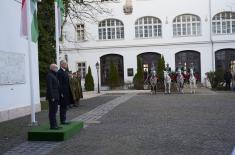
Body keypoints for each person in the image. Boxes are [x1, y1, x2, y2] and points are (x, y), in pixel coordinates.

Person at [46, 64, 62, 130]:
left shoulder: (54, 75)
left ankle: (55, 124)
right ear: (52, 68)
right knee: (52, 111)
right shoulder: (49, 75)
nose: (57, 69)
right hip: (53, 97)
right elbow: (50, 87)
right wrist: (52, 97)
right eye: (56, 67)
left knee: (55, 111)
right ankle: (52, 125)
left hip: (56, 96)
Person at [57, 60, 72, 125]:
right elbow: (59, 84)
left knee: (65, 106)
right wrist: (61, 93)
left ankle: (64, 119)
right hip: (63, 92)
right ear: (61, 64)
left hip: (66, 91)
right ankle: (62, 120)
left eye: (66, 63)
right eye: (65, 64)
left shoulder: (65, 71)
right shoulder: (59, 72)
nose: (66, 65)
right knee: (63, 106)